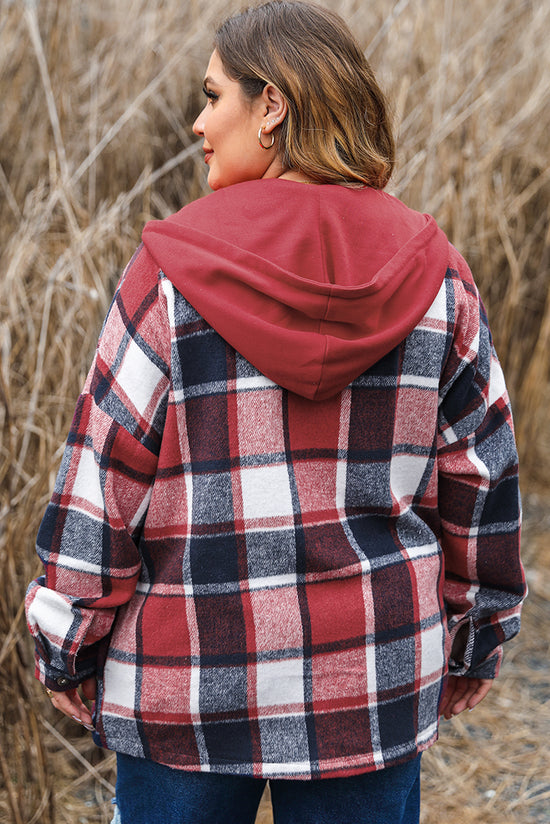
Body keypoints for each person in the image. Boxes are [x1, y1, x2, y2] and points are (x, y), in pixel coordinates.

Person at [25, 2, 526, 822]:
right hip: (368, 683)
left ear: (272, 106)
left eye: (213, 96)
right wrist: (478, 637)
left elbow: (103, 474)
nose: (196, 123)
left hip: (185, 680)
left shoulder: (169, 272)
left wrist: (68, 645)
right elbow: (484, 473)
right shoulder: (436, 274)